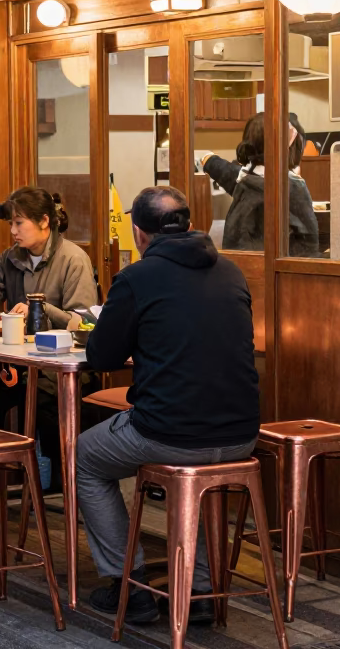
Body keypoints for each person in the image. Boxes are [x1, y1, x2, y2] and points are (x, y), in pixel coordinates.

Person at [79, 186, 259, 625]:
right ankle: (198, 594)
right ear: (191, 223)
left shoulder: (138, 278)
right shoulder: (232, 272)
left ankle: (129, 586)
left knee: (84, 457)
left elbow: (101, 358)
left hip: (168, 434)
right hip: (241, 435)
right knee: (186, 469)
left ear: (139, 234)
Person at [0, 187, 96, 488]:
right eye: (11, 224)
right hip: (16, 366)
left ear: (44, 221)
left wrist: (40, 307)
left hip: (56, 369)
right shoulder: (12, 258)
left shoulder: (73, 260)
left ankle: (61, 484)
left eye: (19, 223)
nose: (13, 231)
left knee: (44, 408)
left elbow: (85, 322)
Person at [201, 112, 320, 257]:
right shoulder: (293, 187)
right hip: (275, 272)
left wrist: (207, 158)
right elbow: (310, 245)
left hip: (238, 267)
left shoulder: (243, 179)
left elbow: (218, 167)